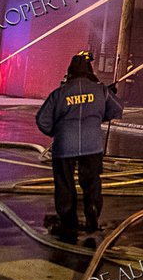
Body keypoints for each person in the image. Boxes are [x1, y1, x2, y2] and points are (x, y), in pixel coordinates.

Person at [35, 52, 122, 241]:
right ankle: (92, 213)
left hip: (64, 145)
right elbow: (117, 109)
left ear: (70, 72)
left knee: (64, 183)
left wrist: (56, 132)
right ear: (89, 71)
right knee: (92, 181)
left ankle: (68, 221)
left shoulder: (60, 93)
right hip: (92, 145)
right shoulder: (101, 91)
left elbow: (42, 119)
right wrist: (98, 116)